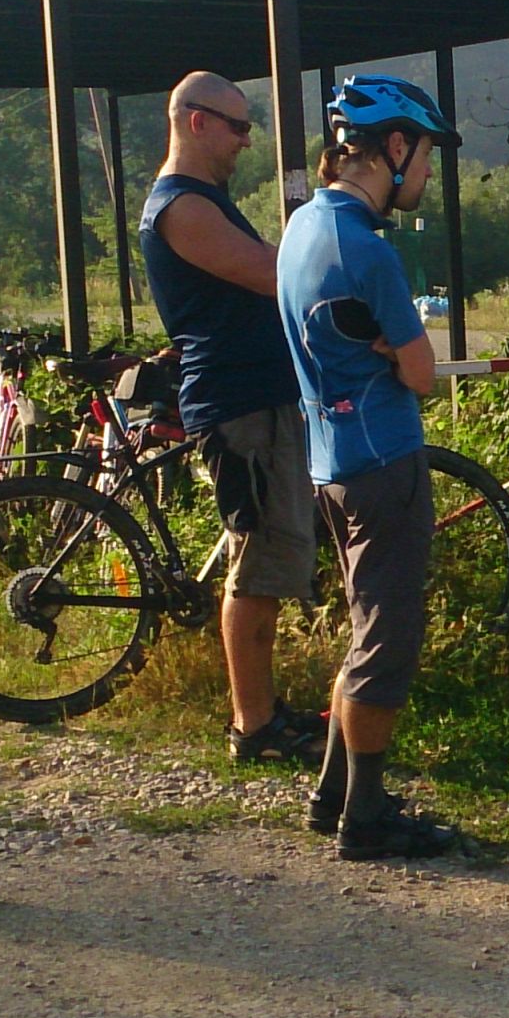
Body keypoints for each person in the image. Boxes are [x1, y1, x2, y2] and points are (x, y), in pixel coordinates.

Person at [276, 76, 461, 861]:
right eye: (426, 155)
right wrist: (397, 352)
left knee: (364, 630)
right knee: (387, 643)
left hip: (329, 460)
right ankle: (368, 815)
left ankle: (331, 795)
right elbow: (422, 374)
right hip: (385, 460)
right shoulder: (370, 250)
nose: (428, 172)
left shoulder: (302, 226)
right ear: (394, 146)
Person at [137, 72, 327, 766]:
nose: (247, 141)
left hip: (257, 400)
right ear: (195, 121)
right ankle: (254, 724)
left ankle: (264, 712)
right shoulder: (182, 206)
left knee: (269, 557)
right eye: (238, 126)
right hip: (239, 406)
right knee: (257, 560)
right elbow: (268, 272)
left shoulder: (203, 201)